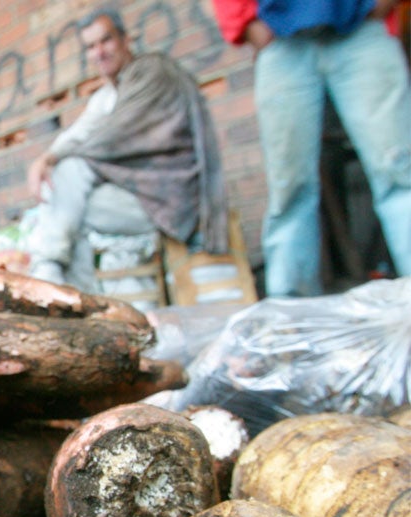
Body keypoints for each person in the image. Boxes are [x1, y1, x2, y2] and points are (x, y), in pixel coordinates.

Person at [212, 0, 411, 297]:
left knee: (399, 170)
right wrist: (244, 22)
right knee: (289, 189)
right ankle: (290, 315)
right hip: (281, 40)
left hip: (361, 24)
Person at [25, 9, 228, 293]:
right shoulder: (105, 98)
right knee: (67, 205)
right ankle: (71, 300)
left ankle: (49, 274)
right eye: (91, 47)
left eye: (106, 41)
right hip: (130, 199)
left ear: (125, 39)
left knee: (69, 180)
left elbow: (108, 141)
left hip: (168, 199)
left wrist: (60, 162)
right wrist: (44, 160)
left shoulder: (152, 74)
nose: (99, 52)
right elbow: (77, 136)